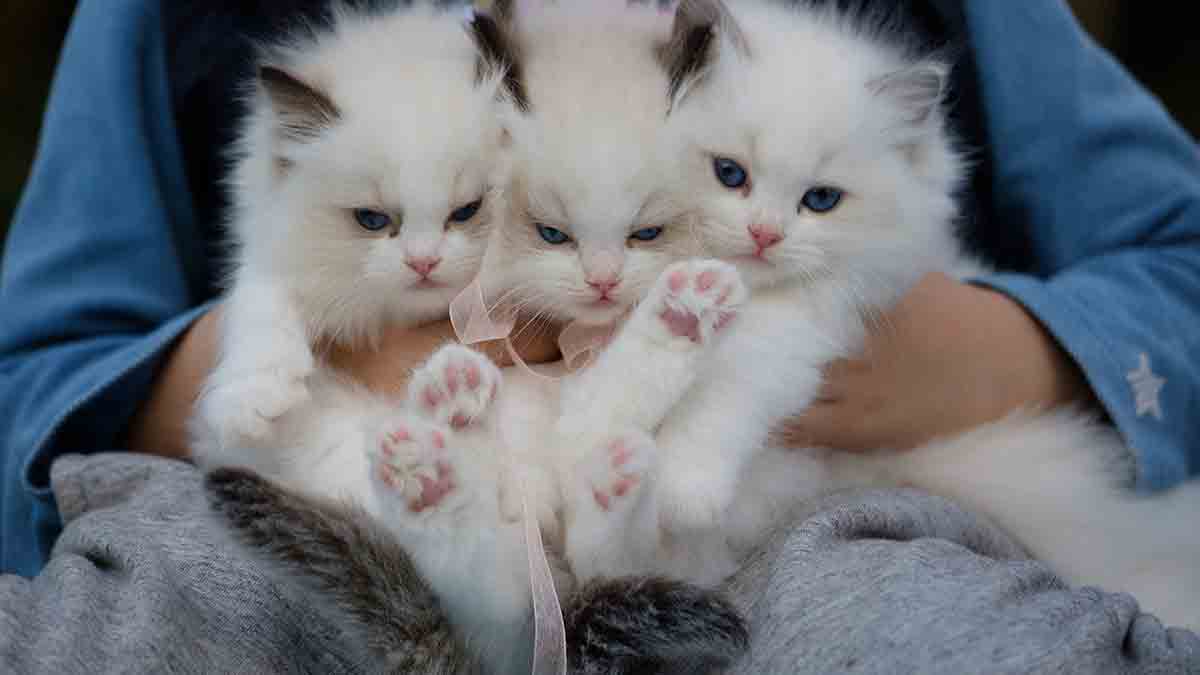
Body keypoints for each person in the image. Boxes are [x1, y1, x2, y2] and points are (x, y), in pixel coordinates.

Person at [0, 0, 1197, 670]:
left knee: (930, 632)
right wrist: (323, 340)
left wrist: (992, 354)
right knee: (154, 614)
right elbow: (36, 373)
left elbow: (1178, 255)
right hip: (338, 517)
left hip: (813, 506)